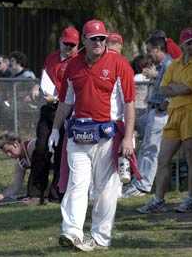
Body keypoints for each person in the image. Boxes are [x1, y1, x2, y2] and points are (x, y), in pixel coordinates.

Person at [47, 19, 136, 251]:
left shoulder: (120, 64)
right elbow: (66, 103)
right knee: (77, 184)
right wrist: (55, 129)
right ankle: (72, 232)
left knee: (105, 190)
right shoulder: (72, 66)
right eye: (94, 39)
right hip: (78, 135)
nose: (98, 43)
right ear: (84, 41)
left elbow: (129, 103)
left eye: (102, 39)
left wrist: (128, 137)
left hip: (108, 135)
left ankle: (99, 237)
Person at [138, 27, 192, 214]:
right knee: (163, 158)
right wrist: (177, 88)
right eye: (188, 43)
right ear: (182, 44)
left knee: (191, 158)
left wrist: (175, 88)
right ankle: (159, 200)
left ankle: (191, 198)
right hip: (175, 113)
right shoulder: (175, 64)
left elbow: (186, 89)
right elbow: (163, 88)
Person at [31, 26, 80, 203]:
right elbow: (45, 78)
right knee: (41, 148)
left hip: (67, 109)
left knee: (61, 152)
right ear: (60, 41)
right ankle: (36, 191)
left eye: (73, 45)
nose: (69, 48)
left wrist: (58, 98)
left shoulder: (79, 61)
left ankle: (57, 192)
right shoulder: (51, 58)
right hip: (49, 108)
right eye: (66, 43)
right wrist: (37, 87)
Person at [122, 35, 172, 198]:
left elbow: (172, 86)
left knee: (151, 148)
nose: (148, 54)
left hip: (160, 112)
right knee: (136, 137)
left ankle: (143, 186)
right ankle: (136, 178)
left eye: (150, 50)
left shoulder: (169, 64)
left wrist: (166, 103)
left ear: (158, 49)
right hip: (153, 111)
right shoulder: (164, 65)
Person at [0, 131, 39, 203]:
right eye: (6, 153)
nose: (9, 155)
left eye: (9, 151)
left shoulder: (32, 146)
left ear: (15, 144)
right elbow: (15, 186)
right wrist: (0, 196)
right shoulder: (20, 163)